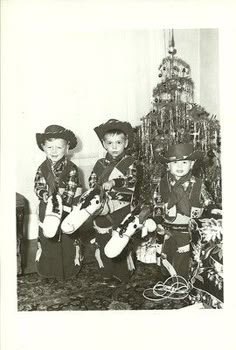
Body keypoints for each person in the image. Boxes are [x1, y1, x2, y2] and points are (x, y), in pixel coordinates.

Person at [155, 143, 214, 280]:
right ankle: (168, 279)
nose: (180, 167)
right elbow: (157, 204)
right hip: (168, 229)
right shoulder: (163, 183)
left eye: (184, 162)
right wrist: (156, 220)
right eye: (175, 163)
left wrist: (212, 211)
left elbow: (208, 203)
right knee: (167, 257)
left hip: (190, 231)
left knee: (186, 261)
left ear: (192, 164)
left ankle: (183, 282)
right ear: (167, 166)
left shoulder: (198, 184)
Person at [34, 124, 83, 281]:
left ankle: (68, 270)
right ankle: (48, 271)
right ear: (44, 147)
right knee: (48, 240)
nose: (54, 151)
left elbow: (71, 188)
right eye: (50, 147)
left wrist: (65, 207)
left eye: (58, 147)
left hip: (65, 208)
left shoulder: (72, 168)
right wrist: (44, 195)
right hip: (47, 206)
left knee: (67, 241)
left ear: (67, 148)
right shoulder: (42, 168)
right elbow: (38, 185)